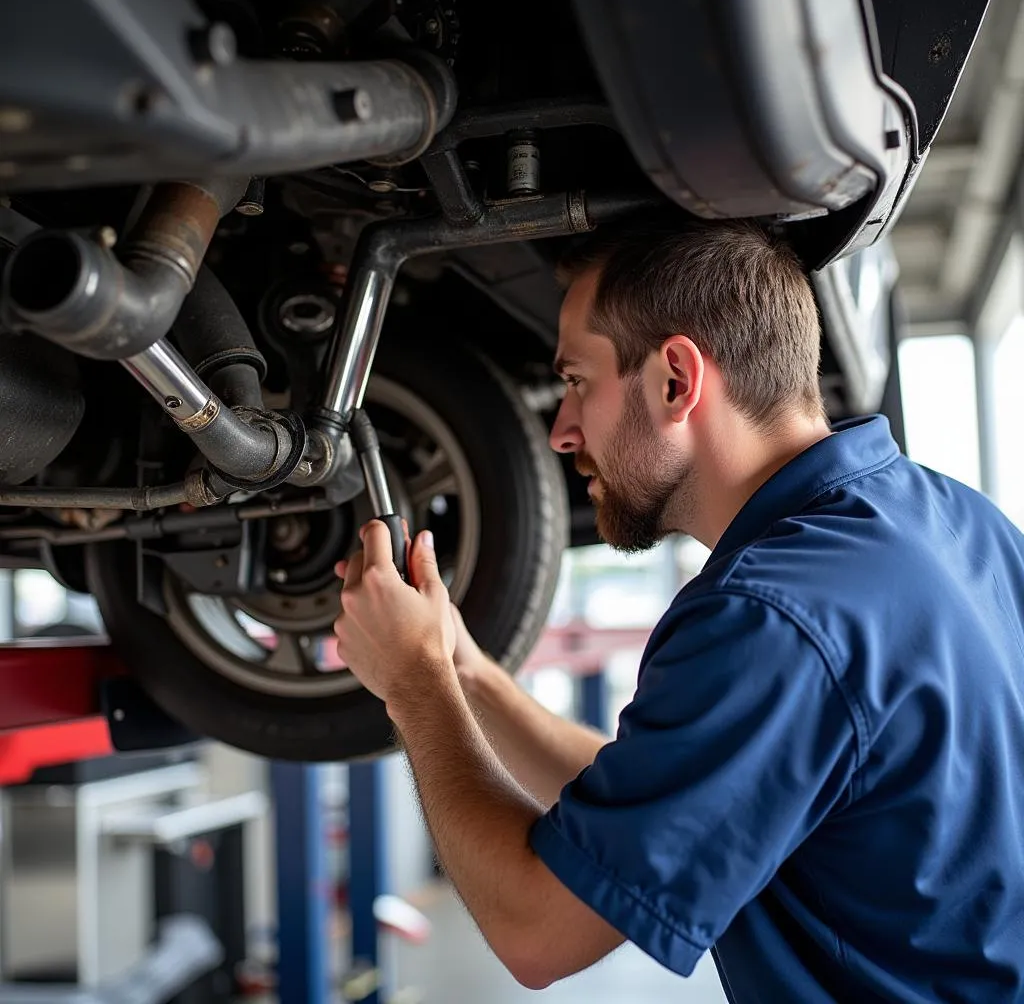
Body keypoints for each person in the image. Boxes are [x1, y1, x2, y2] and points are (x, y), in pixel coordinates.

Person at [332, 210, 1024, 1002]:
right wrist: (466, 674)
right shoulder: (962, 523)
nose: (561, 432)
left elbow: (537, 931)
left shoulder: (770, 617)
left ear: (675, 380)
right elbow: (672, 805)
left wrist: (414, 685)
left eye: (575, 383)